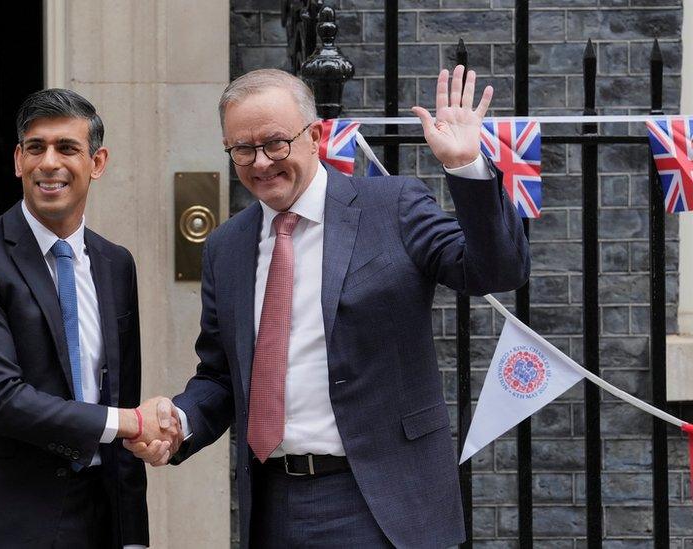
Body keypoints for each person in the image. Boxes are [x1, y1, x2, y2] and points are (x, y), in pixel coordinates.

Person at [126, 66, 531, 547]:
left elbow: (497, 272)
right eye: (242, 149)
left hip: (383, 502)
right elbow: (220, 376)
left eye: (275, 143)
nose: (260, 163)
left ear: (314, 136)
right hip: (274, 506)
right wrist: (180, 421)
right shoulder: (226, 247)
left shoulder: (392, 206)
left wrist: (467, 168)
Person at [0, 88, 175, 548]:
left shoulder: (116, 264)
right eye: (36, 147)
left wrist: (134, 537)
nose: (49, 163)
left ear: (97, 163)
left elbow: (120, 393)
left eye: (67, 148)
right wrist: (132, 422)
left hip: (94, 514)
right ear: (18, 160)